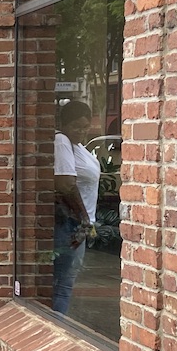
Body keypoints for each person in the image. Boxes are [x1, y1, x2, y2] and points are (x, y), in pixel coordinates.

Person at [53, 100, 101, 314]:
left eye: (85, 126)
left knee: (64, 284)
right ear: (64, 124)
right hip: (71, 225)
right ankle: (55, 330)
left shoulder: (78, 146)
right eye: (76, 126)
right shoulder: (62, 141)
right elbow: (66, 184)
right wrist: (84, 220)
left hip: (78, 224)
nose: (81, 131)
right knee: (62, 286)